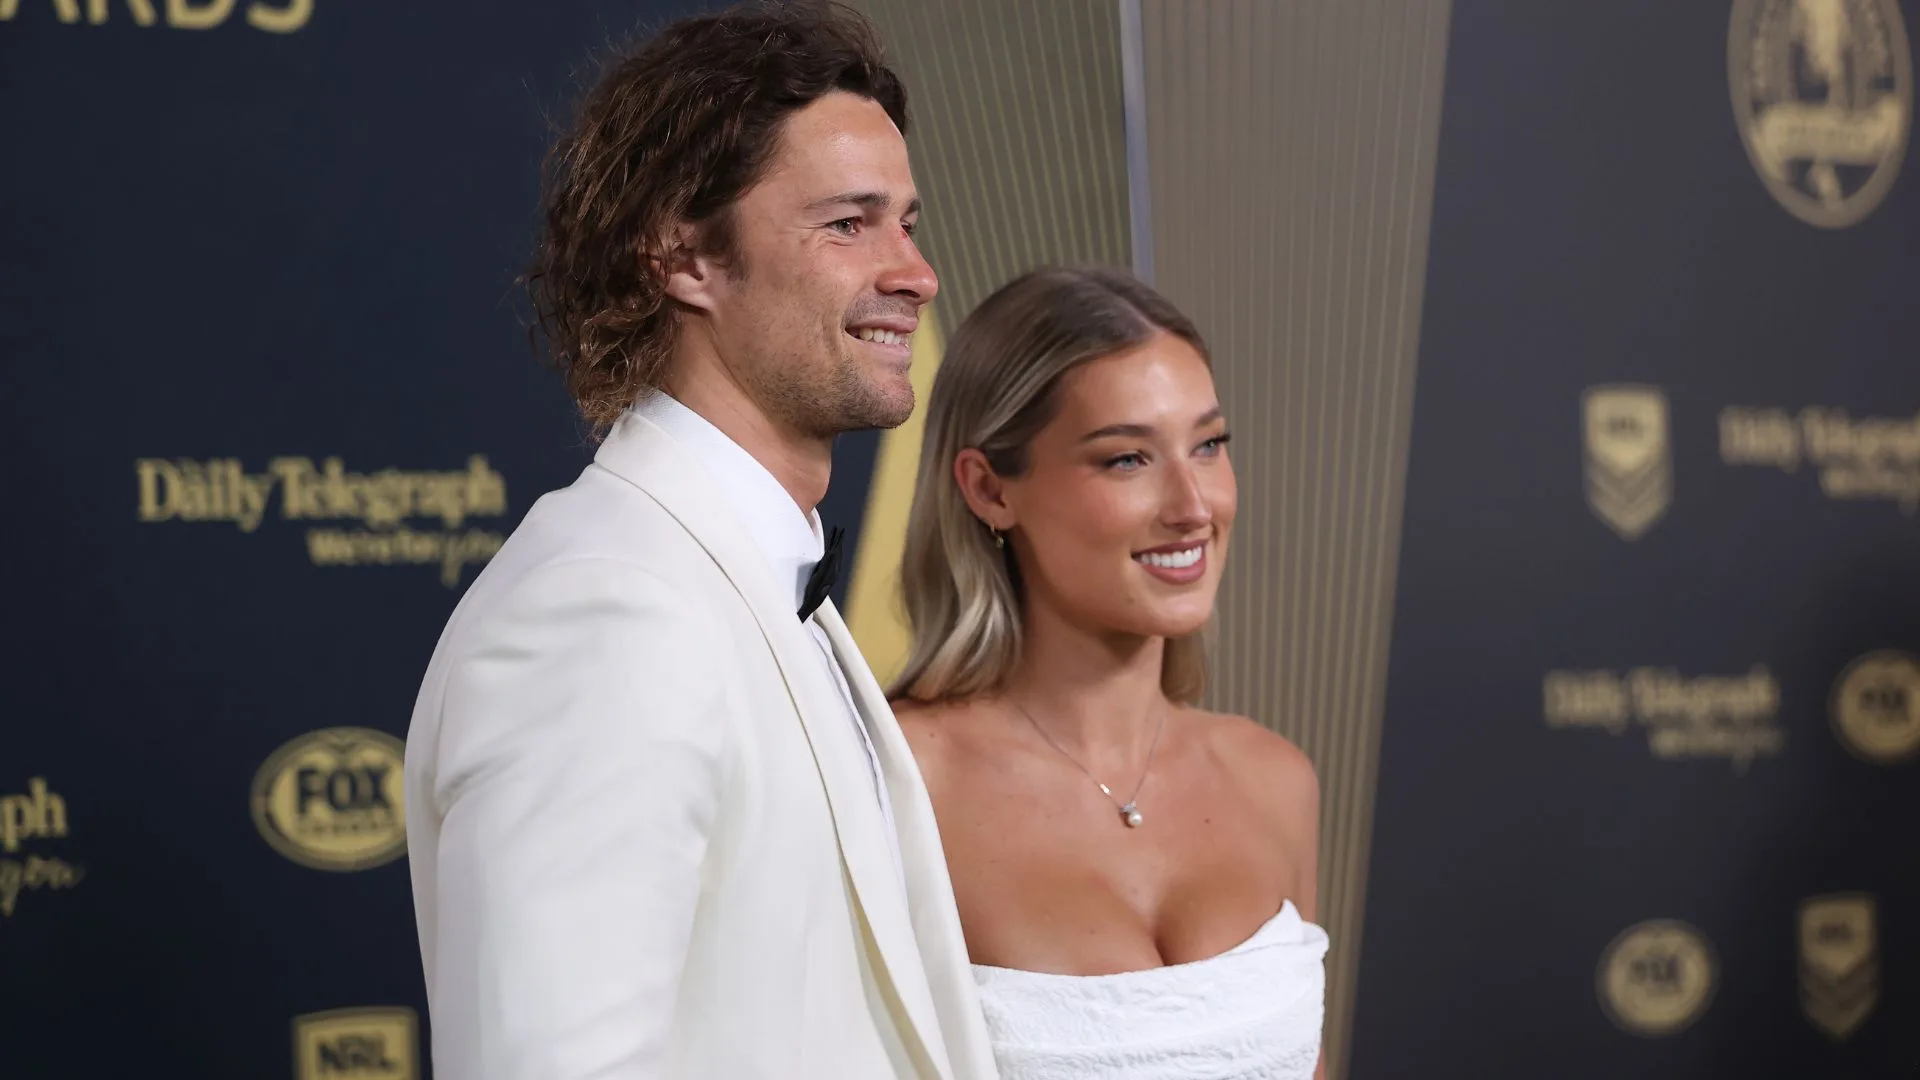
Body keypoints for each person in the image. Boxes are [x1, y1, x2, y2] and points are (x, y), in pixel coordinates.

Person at [401, 4, 998, 1078]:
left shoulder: (752, 582)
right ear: (683, 256)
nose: (916, 273)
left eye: (908, 222)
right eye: (848, 224)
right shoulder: (606, 611)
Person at [889, 266, 1329, 1079]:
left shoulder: (1274, 777)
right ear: (988, 489)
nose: (1193, 505)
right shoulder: (895, 784)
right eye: (1128, 459)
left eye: (1209, 445)